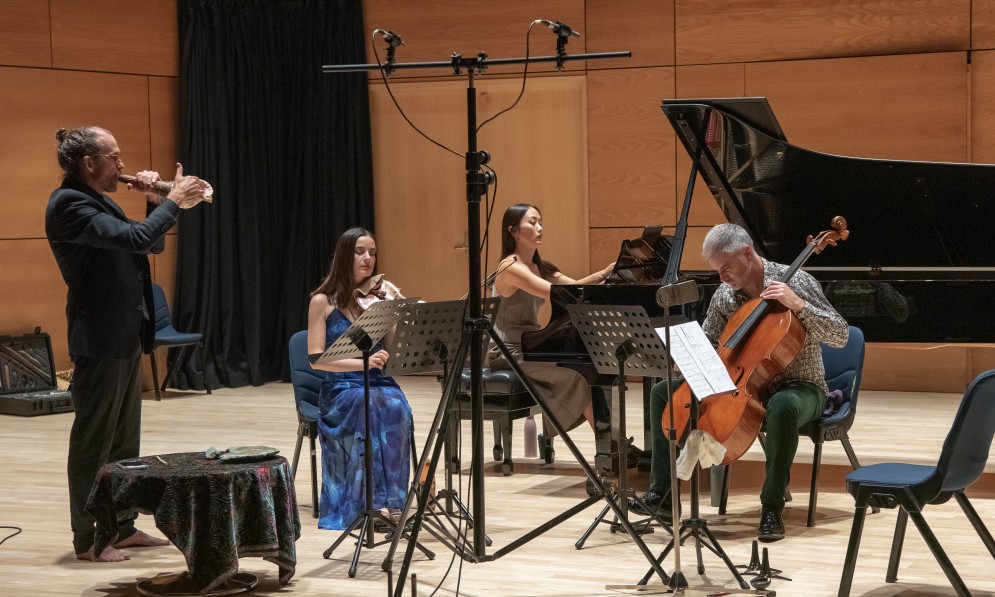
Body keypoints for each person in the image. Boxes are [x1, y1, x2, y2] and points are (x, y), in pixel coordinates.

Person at [45, 126, 209, 562]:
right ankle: (88, 540)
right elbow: (136, 238)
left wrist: (155, 200)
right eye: (114, 157)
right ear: (89, 164)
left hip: (122, 335)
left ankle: (121, 527)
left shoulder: (100, 201)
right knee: (92, 444)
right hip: (98, 337)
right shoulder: (68, 204)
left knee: (122, 445)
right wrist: (173, 199)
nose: (123, 165)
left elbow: (146, 246)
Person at [631, 222, 848, 542]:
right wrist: (687, 363)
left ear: (748, 253)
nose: (721, 277)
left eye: (726, 267)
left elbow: (840, 334)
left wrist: (798, 305)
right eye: (716, 270)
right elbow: (709, 343)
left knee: (783, 405)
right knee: (664, 391)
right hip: (738, 383)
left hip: (801, 385)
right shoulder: (725, 295)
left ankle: (772, 507)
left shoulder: (798, 281)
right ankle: (663, 495)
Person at [307, 227, 412, 530]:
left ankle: (393, 502)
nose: (368, 259)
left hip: (378, 383)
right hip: (341, 389)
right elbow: (316, 360)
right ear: (344, 255)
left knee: (396, 406)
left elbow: (393, 352)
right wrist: (361, 363)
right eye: (360, 252)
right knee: (369, 403)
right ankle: (371, 503)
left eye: (373, 253)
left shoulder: (375, 300)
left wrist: (397, 312)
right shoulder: (322, 301)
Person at [488, 203, 614, 441]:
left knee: (591, 368)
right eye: (532, 222)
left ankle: (611, 442)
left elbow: (575, 287)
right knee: (576, 377)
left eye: (540, 221)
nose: (540, 227)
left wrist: (606, 274)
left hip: (533, 348)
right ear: (513, 231)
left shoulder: (540, 267)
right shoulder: (510, 267)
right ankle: (607, 446)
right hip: (508, 352)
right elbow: (558, 294)